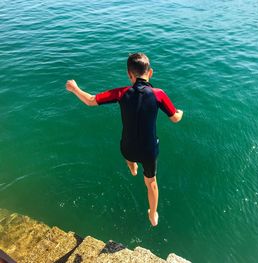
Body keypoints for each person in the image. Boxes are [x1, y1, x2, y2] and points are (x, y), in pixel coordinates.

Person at [65, 53, 183, 226]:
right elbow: (174, 118)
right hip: (149, 151)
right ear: (150, 73)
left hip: (127, 148)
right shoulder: (159, 94)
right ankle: (152, 214)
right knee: (151, 183)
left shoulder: (121, 93)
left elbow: (90, 101)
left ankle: (133, 169)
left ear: (129, 74)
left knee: (129, 155)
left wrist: (74, 88)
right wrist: (181, 113)